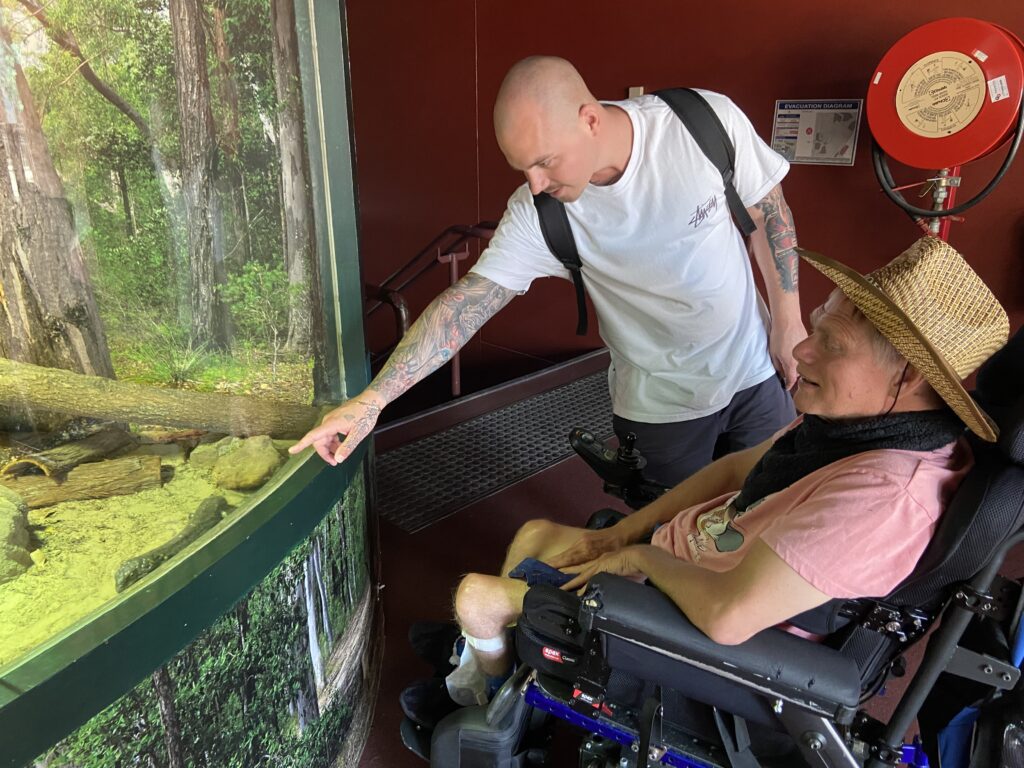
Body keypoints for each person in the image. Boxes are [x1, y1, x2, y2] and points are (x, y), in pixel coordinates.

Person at [422, 236, 1008, 717]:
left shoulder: (885, 498)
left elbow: (729, 619)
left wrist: (639, 559)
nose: (802, 351)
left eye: (831, 343)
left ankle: (489, 701)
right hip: (690, 561)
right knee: (532, 536)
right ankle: (500, 663)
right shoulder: (852, 426)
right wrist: (623, 537)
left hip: (693, 631)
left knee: (477, 597)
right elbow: (735, 467)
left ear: (906, 377)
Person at [290, 55, 807, 486]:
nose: (535, 183)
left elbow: (769, 213)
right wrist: (373, 401)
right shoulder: (541, 211)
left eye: (545, 162)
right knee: (674, 542)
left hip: (755, 371)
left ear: (589, 119)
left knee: (774, 515)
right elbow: (465, 304)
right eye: (522, 169)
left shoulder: (703, 123)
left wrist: (788, 323)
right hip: (660, 404)